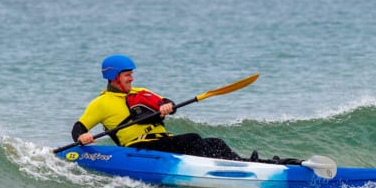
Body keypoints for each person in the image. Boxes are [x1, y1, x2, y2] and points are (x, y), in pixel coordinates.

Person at [71, 55, 247, 160]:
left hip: (163, 142)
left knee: (216, 142)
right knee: (192, 138)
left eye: (131, 74)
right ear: (114, 76)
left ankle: (249, 163)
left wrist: (167, 106)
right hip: (138, 147)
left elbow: (165, 102)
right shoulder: (101, 103)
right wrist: (82, 136)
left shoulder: (142, 92)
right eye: (127, 75)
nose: (131, 78)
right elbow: (79, 127)